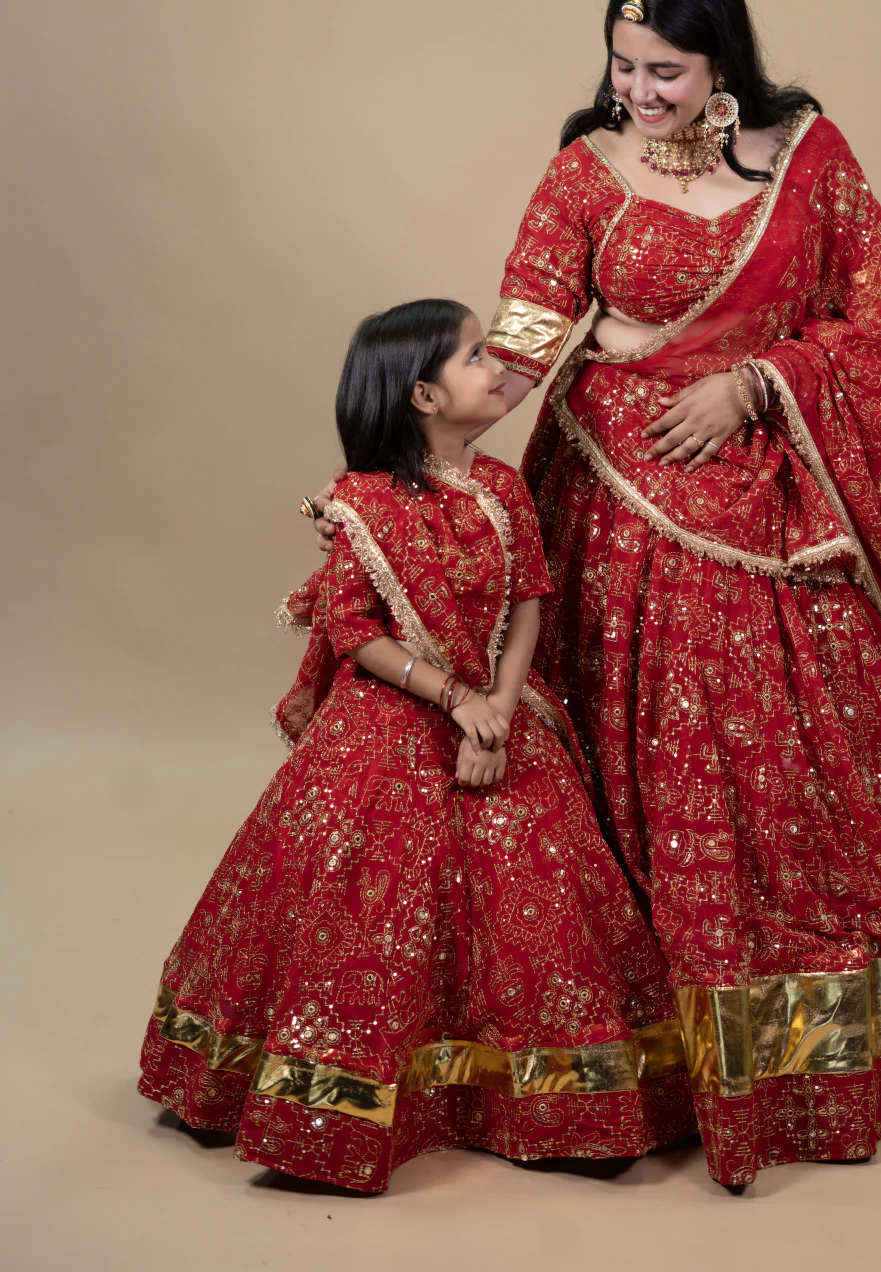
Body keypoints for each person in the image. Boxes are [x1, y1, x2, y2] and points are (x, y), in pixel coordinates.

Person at [315, 0, 881, 1191]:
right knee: (638, 741)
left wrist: (752, 383)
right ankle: (635, 1029)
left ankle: (811, 1032)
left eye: (665, 69)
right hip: (618, 494)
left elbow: (879, 315)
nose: (639, 92)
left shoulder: (808, 160)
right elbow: (523, 332)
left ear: (723, 60)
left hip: (772, 492)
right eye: (622, 66)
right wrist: (397, 458)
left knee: (808, 752)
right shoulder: (583, 173)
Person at [139, 298, 695, 1195]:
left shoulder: (506, 487)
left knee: (535, 886)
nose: (496, 367)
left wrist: (502, 710)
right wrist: (454, 699)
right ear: (423, 396)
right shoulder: (361, 503)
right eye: (477, 356)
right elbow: (353, 627)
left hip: (498, 710)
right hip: (392, 719)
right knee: (369, 899)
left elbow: (528, 601)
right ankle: (323, 1100)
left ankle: (557, 1106)